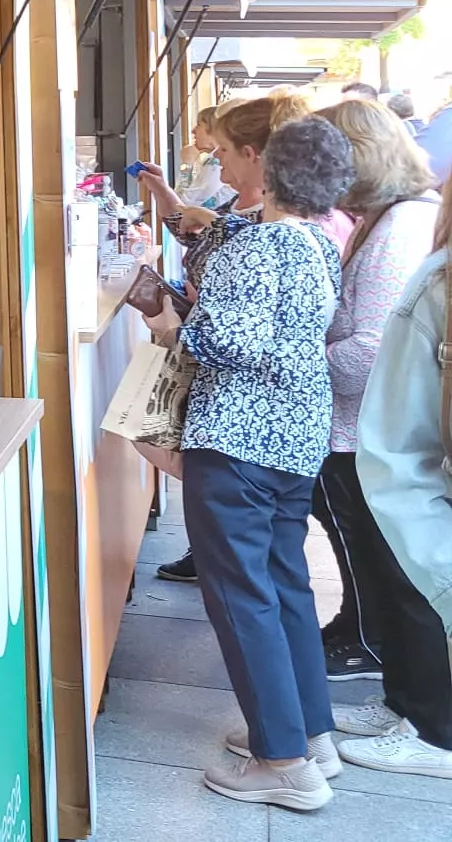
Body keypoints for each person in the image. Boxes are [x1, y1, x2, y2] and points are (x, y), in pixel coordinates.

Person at [144, 116, 353, 810]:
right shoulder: (319, 244)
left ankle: (282, 760)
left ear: (266, 171)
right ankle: (309, 733)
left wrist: (171, 320)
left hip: (236, 438)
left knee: (241, 598)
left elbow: (230, 343)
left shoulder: (256, 248)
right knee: (285, 585)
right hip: (295, 436)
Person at [310, 99, 440, 683]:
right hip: (365, 429)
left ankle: (392, 672)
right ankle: (370, 644)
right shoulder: (386, 220)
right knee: (369, 560)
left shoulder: (398, 227)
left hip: (370, 430)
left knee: (388, 564)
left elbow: (371, 349)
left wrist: (300, 361)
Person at [348, 195, 452, 779]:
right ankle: (413, 709)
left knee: (414, 592)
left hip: (421, 489)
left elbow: (398, 439)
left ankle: (433, 728)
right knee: (402, 589)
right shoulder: (434, 275)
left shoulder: (434, 278)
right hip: (424, 483)